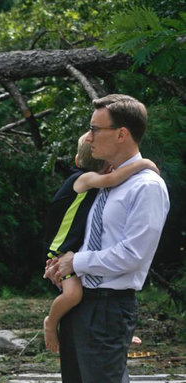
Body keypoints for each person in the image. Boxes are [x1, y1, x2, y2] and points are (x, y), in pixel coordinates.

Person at [44, 94, 170, 383]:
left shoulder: (146, 186)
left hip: (107, 307)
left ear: (121, 133)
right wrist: (61, 265)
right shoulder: (105, 183)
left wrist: (77, 261)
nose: (88, 137)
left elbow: (133, 254)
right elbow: (88, 234)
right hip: (82, 305)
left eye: (94, 129)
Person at [43, 133, 159, 353]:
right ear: (107, 168)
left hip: (74, 249)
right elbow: (113, 179)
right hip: (60, 250)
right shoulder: (83, 179)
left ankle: (119, 333)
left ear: (77, 159)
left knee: (86, 289)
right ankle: (50, 322)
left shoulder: (91, 184)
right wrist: (143, 163)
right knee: (73, 294)